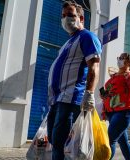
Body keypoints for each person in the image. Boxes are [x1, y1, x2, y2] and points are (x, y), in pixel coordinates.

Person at [46, 2, 102, 160]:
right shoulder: (68, 42)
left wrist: (89, 94)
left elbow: (94, 66)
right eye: (63, 16)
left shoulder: (87, 37)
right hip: (57, 99)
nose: (65, 19)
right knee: (54, 141)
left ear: (81, 18)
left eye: (70, 15)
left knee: (62, 143)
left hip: (71, 98)